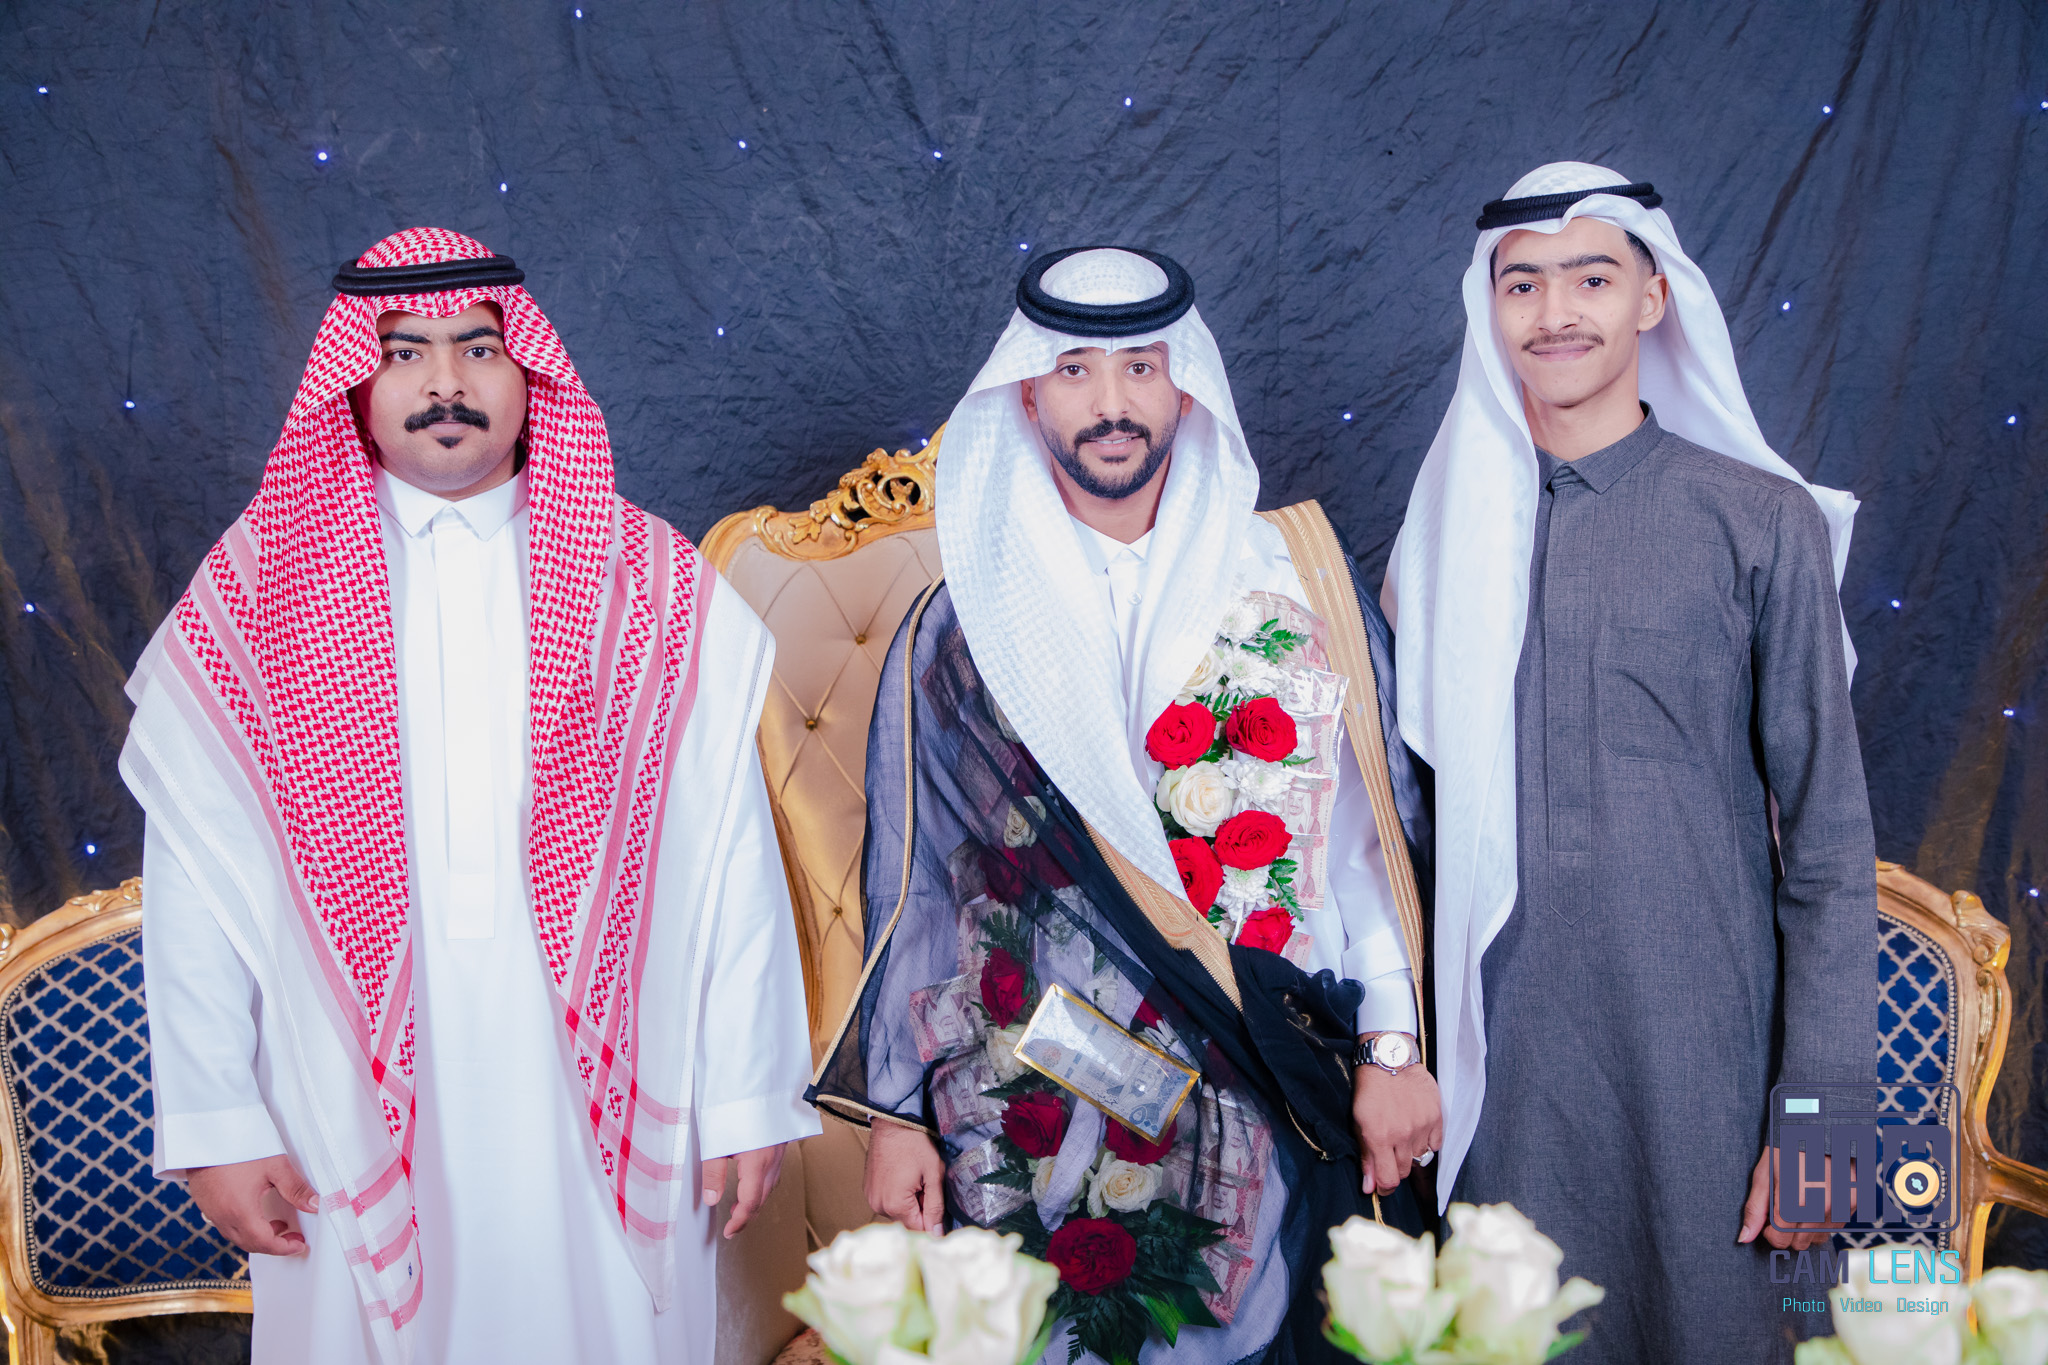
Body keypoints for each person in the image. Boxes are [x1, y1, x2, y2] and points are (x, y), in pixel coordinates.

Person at [121, 228, 817, 1365]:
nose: (444, 381)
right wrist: (214, 1120)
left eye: (477, 348)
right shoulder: (261, 590)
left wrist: (747, 1094)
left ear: (527, 370)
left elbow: (728, 860)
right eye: (405, 352)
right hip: (340, 1098)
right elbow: (197, 876)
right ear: (356, 381)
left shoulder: (644, 583)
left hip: (606, 1094)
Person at [809, 247, 1436, 1365]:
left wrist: (1390, 1049)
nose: (1111, 403)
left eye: (1141, 367)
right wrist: (898, 1114)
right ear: (1026, 396)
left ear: (1185, 387)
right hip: (1038, 1098)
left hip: (1274, 1070)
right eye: (1075, 372)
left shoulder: (1288, 579)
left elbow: (1359, 852)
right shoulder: (963, 623)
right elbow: (922, 885)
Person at [1385, 163, 1877, 1363]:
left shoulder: (1755, 520)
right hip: (1499, 1080)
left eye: (1590, 279)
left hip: (1705, 1072)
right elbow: (1390, 841)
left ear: (1652, 300)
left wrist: (1817, 1115)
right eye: (1522, 284)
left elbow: (1826, 842)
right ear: (1487, 308)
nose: (1554, 312)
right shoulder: (1434, 545)